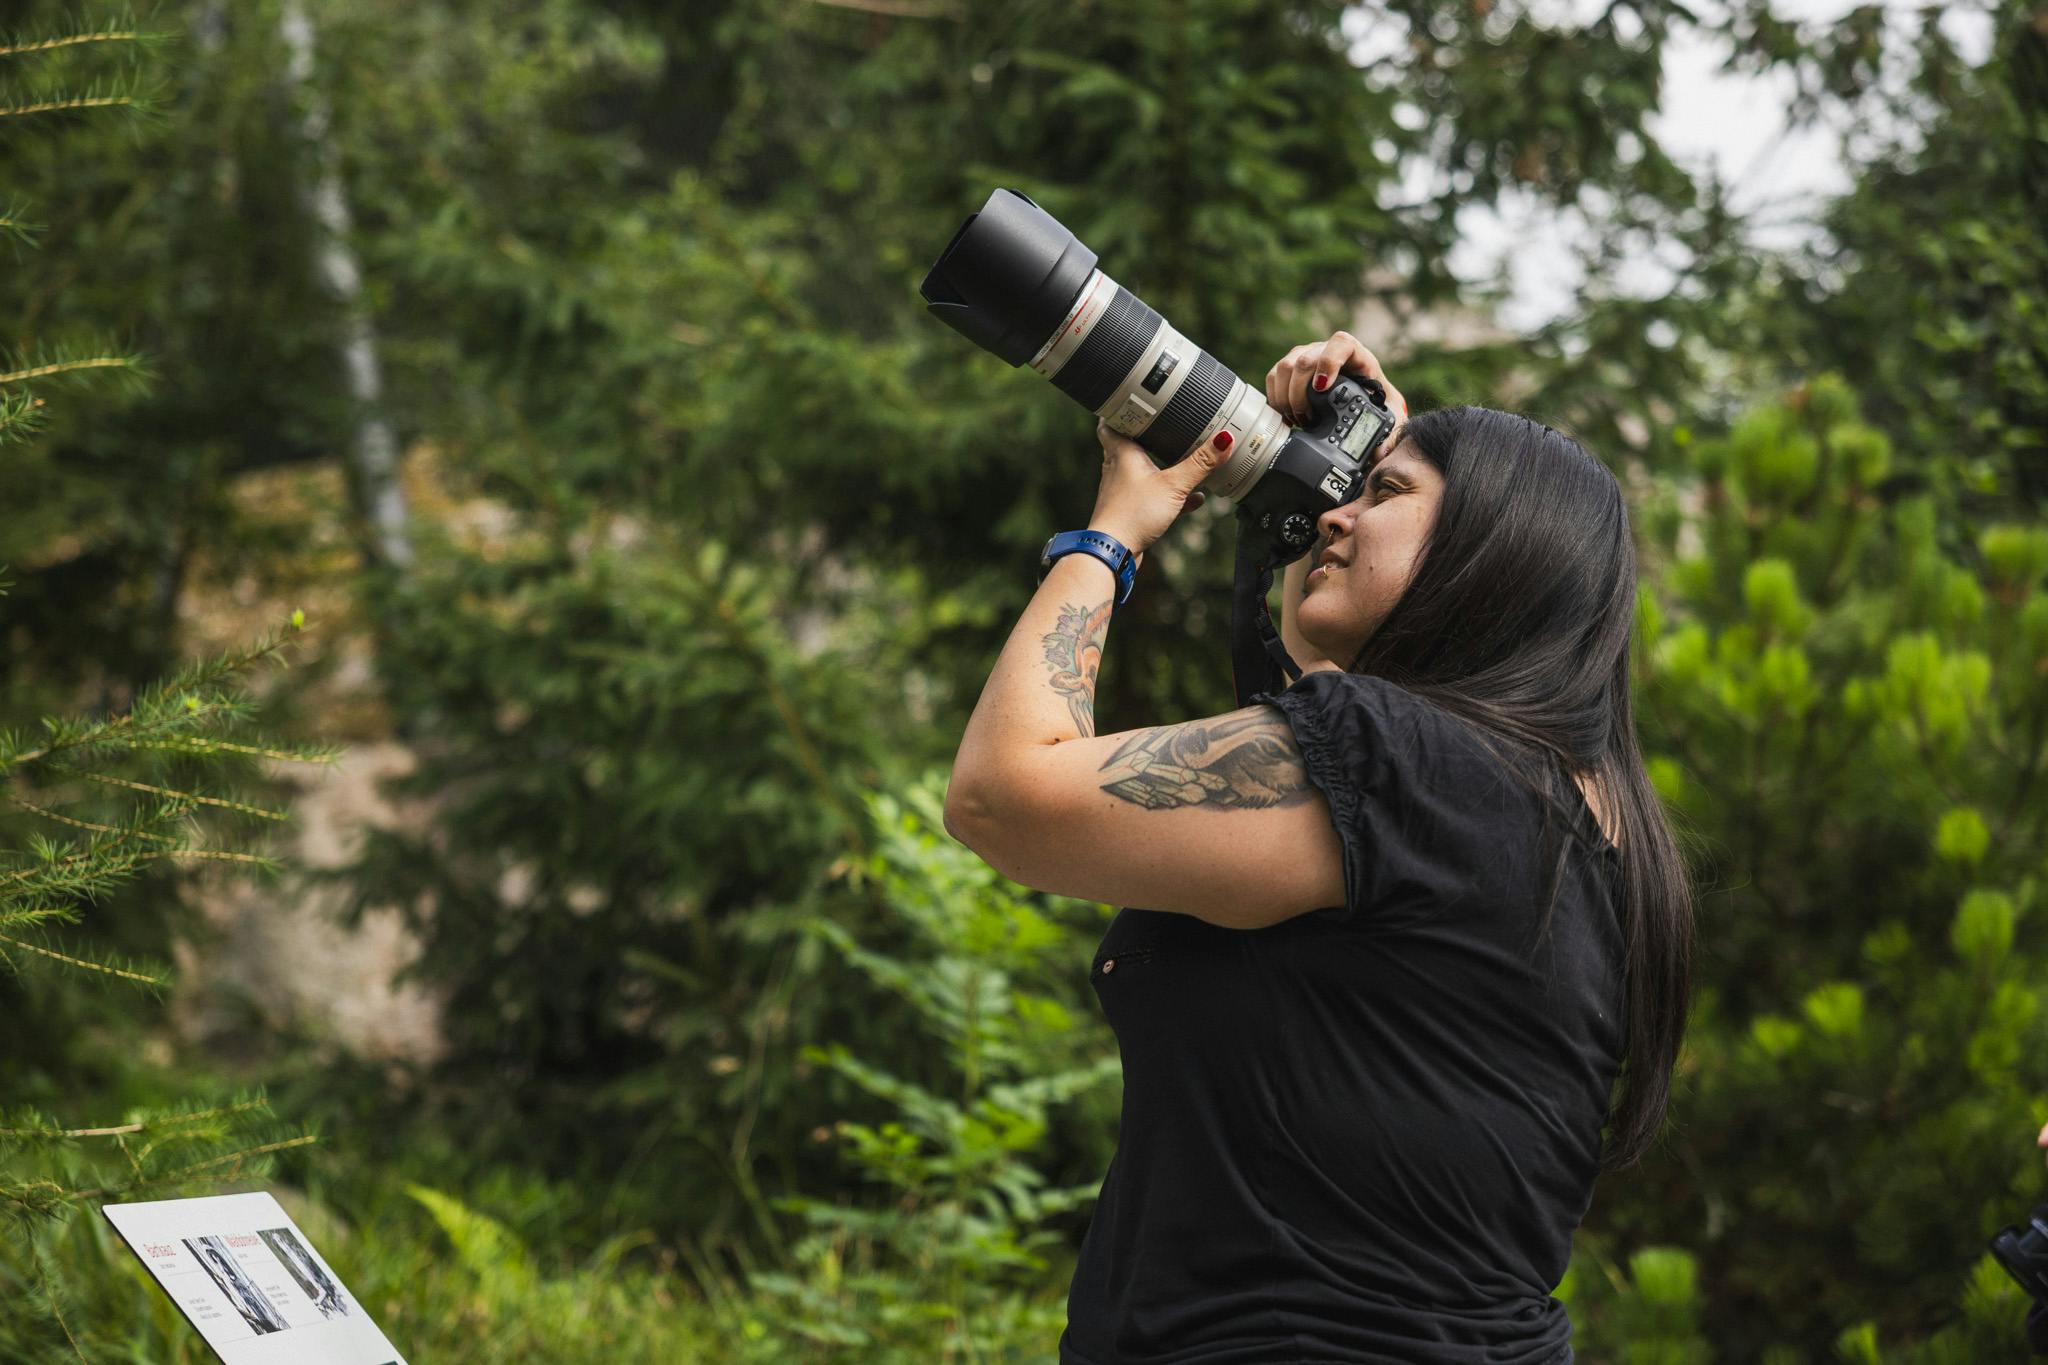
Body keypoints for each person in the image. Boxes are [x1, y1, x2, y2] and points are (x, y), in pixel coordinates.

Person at [943, 331, 1695, 1363]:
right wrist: (1369, 458)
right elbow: (1324, 679)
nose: (1334, 515)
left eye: (1380, 494)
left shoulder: (1409, 770)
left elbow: (1001, 796)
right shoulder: (1563, 808)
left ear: (1497, 546)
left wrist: (1111, 531)